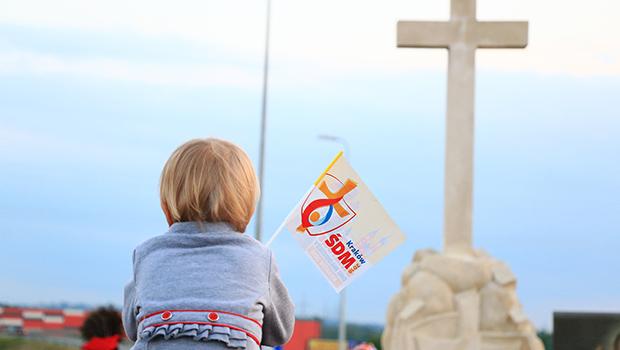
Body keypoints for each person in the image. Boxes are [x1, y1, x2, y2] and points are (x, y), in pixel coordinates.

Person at [122, 138, 295, 350]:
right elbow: (280, 332)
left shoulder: (147, 255)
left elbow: (132, 327)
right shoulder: (259, 258)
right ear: (248, 211)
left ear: (165, 207)